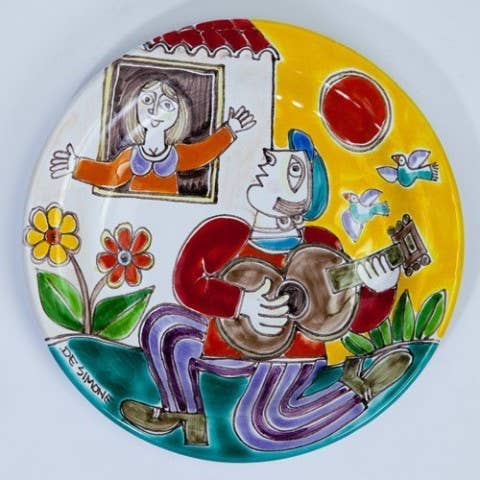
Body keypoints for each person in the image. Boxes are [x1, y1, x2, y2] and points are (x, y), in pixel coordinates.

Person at [121, 130, 412, 450]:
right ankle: (184, 415)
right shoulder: (224, 233)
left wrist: (381, 287)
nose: (271, 160)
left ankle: (355, 390)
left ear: (305, 202)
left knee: (259, 429)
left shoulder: (319, 245)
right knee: (163, 326)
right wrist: (240, 303)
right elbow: (185, 284)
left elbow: (352, 319)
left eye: (294, 169)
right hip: (226, 338)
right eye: (275, 158)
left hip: (290, 355)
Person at [49, 76, 256, 195]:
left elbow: (204, 153)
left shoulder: (177, 154)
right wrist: (76, 165)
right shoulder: (131, 155)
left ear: (179, 114)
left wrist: (230, 130)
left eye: (166, 104)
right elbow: (110, 176)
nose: (155, 110)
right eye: (147, 101)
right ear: (135, 107)